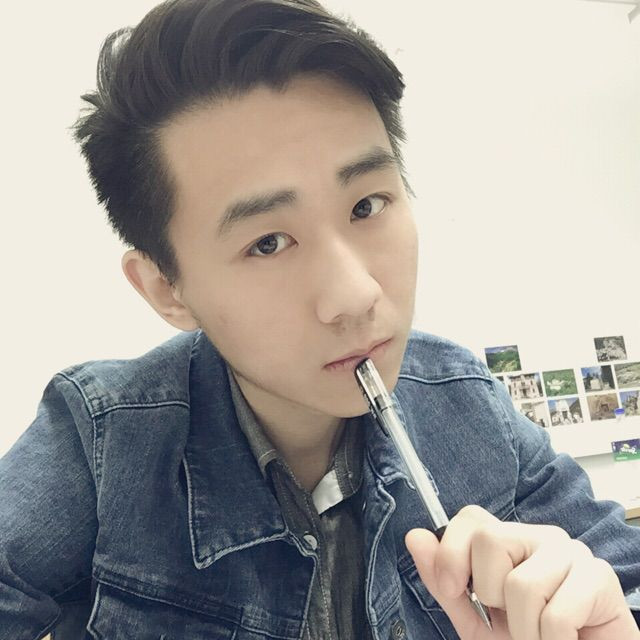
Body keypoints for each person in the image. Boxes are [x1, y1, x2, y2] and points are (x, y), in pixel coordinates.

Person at [1, 1, 639, 638]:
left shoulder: (468, 406)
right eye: (267, 243)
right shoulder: (104, 440)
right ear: (168, 289)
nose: (355, 296)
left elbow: (620, 578)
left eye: (367, 205)